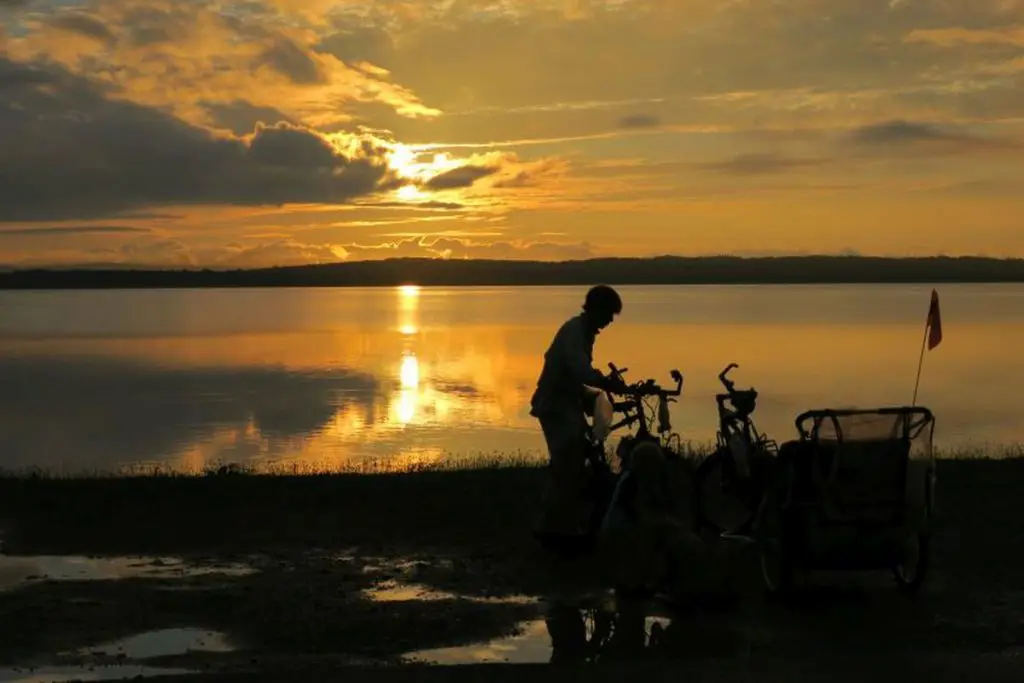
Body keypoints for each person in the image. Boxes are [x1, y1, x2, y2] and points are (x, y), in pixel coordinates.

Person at [530, 285, 627, 541]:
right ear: (596, 309)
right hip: (554, 405)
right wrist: (606, 382)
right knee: (566, 465)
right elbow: (580, 370)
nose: (609, 321)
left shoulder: (584, 332)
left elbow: (579, 375)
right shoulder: (575, 332)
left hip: (566, 402)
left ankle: (564, 525)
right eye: (608, 314)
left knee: (575, 461)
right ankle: (552, 529)